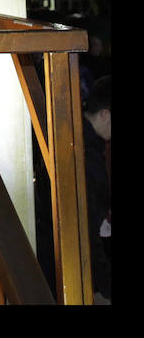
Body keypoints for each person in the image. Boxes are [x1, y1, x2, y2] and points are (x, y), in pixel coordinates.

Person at [83, 75, 111, 304]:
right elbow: (87, 225)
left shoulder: (78, 136)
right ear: (104, 114)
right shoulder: (87, 153)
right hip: (84, 271)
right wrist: (104, 283)